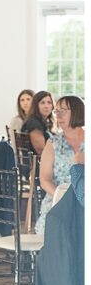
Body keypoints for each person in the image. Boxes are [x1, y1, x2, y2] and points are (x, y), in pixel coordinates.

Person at [20, 154, 84, 285]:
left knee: (61, 255)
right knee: (59, 252)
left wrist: (78, 167)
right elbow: (45, 179)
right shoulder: (55, 142)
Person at [34, 96, 84, 235]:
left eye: (64, 111)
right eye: (57, 111)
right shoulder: (53, 143)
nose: (58, 115)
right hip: (58, 200)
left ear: (77, 112)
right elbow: (44, 180)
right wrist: (63, 199)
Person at [22, 90, 55, 155]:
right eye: (42, 103)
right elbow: (41, 150)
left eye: (49, 103)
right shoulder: (33, 123)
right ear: (36, 105)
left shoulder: (44, 122)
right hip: (39, 162)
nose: (46, 106)